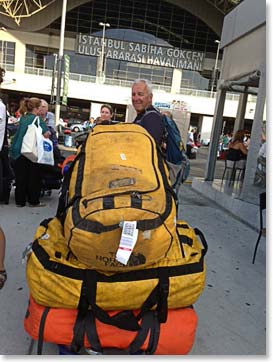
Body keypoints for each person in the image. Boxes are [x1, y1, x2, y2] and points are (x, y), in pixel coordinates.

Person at [10, 97, 50, 207]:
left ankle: (20, 201)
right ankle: (33, 201)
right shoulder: (37, 119)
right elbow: (47, 134)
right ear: (36, 108)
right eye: (41, 107)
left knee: (21, 177)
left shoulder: (23, 117)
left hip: (19, 150)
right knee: (33, 177)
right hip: (31, 151)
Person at [131, 78, 165, 145]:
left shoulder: (152, 118)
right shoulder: (142, 116)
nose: (136, 98)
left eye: (140, 94)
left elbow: (148, 148)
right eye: (133, 94)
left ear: (150, 97)